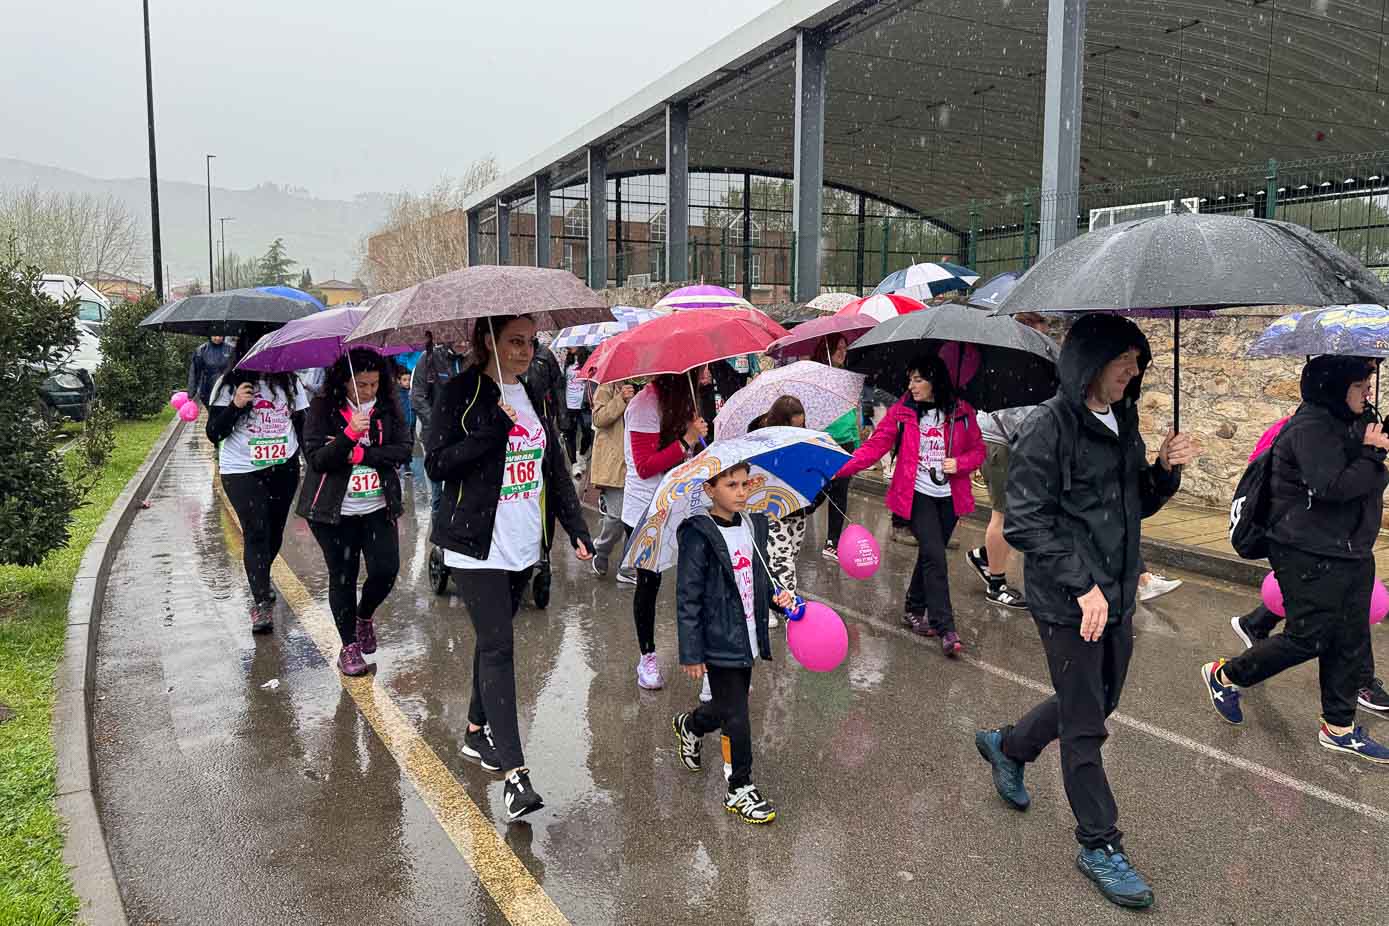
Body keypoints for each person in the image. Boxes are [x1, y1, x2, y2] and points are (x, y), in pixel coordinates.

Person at [974, 313, 1194, 910]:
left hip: (1115, 594)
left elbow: (1134, 504)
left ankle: (1010, 746)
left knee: (1099, 701)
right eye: (1125, 359)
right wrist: (1081, 586)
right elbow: (1024, 522)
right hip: (1068, 600)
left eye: (1139, 362)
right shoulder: (1049, 427)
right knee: (1086, 724)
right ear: (1090, 362)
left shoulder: (1123, 421)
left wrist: (1165, 472)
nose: (1134, 370)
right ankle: (1099, 843)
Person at [425, 314, 593, 821]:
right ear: (487, 341)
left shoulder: (535, 390)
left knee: (492, 639)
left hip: (524, 542)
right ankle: (516, 777)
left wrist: (575, 525)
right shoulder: (461, 391)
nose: (524, 351)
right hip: (476, 544)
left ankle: (476, 731)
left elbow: (552, 464)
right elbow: (436, 462)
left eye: (529, 342)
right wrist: (490, 433)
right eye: (514, 342)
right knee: (500, 646)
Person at [1202, 355, 1389, 763]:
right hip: (1305, 547)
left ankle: (1339, 728)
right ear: (1335, 387)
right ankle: (1225, 675)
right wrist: (1374, 458)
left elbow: (1360, 469)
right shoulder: (1310, 428)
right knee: (1311, 636)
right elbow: (1333, 486)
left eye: (1369, 383)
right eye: (1361, 385)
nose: (1368, 392)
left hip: (1350, 546)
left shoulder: (1352, 419)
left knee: (1350, 636)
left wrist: (1373, 447)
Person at [833, 354, 985, 657]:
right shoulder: (903, 411)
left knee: (932, 555)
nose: (911, 385)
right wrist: (836, 468)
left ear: (935, 381)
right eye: (910, 379)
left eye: (918, 379)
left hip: (950, 497)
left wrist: (961, 462)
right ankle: (946, 627)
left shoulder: (961, 411)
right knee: (934, 556)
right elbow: (874, 448)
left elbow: (978, 450)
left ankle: (913, 608)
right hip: (917, 495)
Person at [670, 461, 794, 824]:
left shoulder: (753, 525)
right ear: (710, 490)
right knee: (737, 714)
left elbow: (761, 576)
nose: (741, 492)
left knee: (725, 707)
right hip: (719, 638)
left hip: (749, 636)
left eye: (744, 484)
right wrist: (691, 651)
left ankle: (691, 726)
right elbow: (687, 596)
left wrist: (777, 597)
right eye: (730, 485)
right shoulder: (699, 534)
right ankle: (740, 787)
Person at [297, 350, 412, 676]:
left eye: (375, 383)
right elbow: (317, 458)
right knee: (343, 576)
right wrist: (347, 436)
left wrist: (362, 452)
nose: (369, 391)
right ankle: (348, 647)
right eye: (361, 385)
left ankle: (364, 616)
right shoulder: (322, 409)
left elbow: (402, 449)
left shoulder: (387, 408)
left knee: (386, 570)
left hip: (378, 506)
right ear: (344, 381)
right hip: (334, 512)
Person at [206, 324, 310, 633]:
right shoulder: (227, 386)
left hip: (283, 468)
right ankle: (261, 602)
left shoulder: (291, 384)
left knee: (275, 533)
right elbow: (214, 433)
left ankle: (260, 576)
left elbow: (302, 429)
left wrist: (315, 465)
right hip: (242, 471)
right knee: (256, 532)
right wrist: (236, 405)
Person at [623, 370, 708, 689]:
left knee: (696, 579)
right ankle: (647, 657)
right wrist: (685, 439)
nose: (707, 374)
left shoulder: (684, 400)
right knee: (649, 583)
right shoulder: (645, 405)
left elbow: (691, 456)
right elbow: (646, 467)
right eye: (701, 370)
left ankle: (707, 661)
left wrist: (698, 438)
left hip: (682, 502)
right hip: (648, 508)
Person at [966, 404, 1035, 609]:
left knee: (1018, 513)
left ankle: (986, 556)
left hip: (1005, 440)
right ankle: (996, 586)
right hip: (1000, 442)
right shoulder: (1020, 378)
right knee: (1003, 515)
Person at [758, 395, 809, 629]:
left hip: (798, 510)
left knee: (790, 556)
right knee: (782, 561)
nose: (799, 429)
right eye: (794, 426)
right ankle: (792, 611)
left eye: (801, 425)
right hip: (771, 509)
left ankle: (771, 600)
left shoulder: (807, 441)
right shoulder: (762, 441)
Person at [410, 336, 469, 513]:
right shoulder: (428, 358)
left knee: (466, 491)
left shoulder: (474, 359)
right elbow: (417, 397)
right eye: (458, 339)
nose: (462, 343)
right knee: (438, 493)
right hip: (436, 438)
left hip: (467, 437)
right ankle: (439, 535)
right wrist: (440, 424)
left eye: (466, 339)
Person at [589, 379, 637, 584]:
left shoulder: (640, 386)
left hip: (637, 460)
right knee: (616, 517)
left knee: (636, 517)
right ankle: (601, 549)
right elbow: (598, 418)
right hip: (615, 462)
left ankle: (627, 566)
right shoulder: (607, 387)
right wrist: (621, 399)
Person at [820, 336, 862, 560]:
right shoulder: (818, 376)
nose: (842, 353)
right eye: (837, 349)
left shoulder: (849, 378)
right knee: (816, 494)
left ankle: (832, 541)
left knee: (840, 494)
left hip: (846, 442)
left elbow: (854, 414)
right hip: (824, 442)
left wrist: (856, 441)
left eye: (845, 349)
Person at [562, 348, 594, 477]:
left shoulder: (588, 359)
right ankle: (574, 464)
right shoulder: (567, 361)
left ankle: (581, 455)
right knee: (570, 433)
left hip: (584, 404)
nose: (569, 347)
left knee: (587, 431)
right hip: (569, 404)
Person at [187, 334, 232, 407]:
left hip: (225, 389)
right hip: (207, 390)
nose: (217, 338)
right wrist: (191, 393)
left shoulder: (230, 350)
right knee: (212, 413)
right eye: (215, 335)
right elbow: (194, 373)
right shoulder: (201, 350)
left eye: (220, 336)